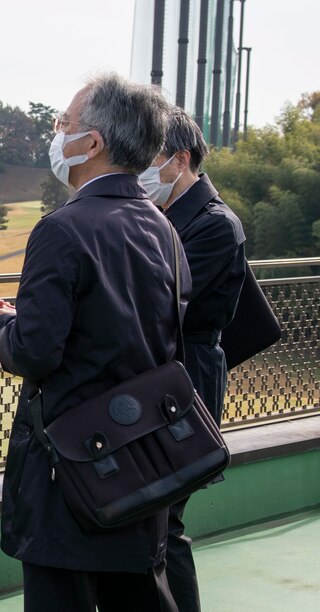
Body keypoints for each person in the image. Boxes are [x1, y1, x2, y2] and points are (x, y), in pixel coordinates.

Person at [0, 74, 184, 611]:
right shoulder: (159, 225)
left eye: (63, 124)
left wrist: (2, 325)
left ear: (91, 143)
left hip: (71, 460)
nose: (58, 134)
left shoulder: (62, 229)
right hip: (145, 448)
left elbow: (34, 351)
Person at [139, 107, 247, 611]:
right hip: (158, 380)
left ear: (180, 160)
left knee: (165, 523)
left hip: (186, 384)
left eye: (150, 157)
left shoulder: (215, 225)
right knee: (153, 522)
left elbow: (162, 301)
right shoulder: (164, 217)